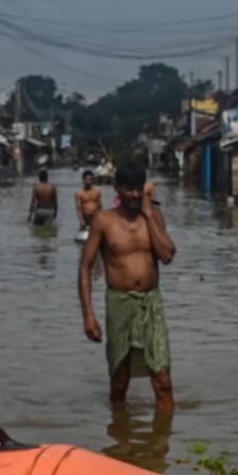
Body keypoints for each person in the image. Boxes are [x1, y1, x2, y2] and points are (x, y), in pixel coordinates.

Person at [79, 161, 177, 411]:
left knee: (163, 379)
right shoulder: (104, 220)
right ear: (117, 189)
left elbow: (167, 255)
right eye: (128, 189)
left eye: (138, 189)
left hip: (150, 302)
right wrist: (89, 316)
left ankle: (162, 442)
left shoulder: (153, 216)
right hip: (119, 301)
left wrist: (148, 216)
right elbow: (85, 267)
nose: (134, 195)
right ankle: (120, 438)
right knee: (120, 380)